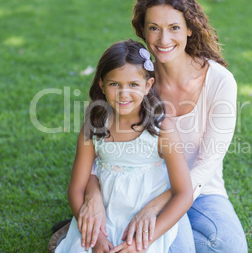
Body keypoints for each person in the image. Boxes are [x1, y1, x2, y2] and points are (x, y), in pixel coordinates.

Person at [53, 0, 248, 252]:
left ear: (189, 28)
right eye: (154, 27)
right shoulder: (133, 80)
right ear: (142, 30)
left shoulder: (219, 82)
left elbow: (208, 163)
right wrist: (92, 191)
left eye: (174, 27)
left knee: (227, 248)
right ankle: (93, 228)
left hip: (196, 190)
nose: (164, 38)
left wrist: (156, 204)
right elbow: (107, 147)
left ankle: (108, 229)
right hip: (131, 187)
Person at [54, 39, 193, 253]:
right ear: (101, 84)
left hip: (148, 222)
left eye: (133, 85)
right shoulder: (94, 126)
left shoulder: (162, 128)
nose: (123, 94)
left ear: (148, 85)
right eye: (114, 84)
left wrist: (142, 243)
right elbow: (76, 188)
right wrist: (98, 238)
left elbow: (183, 193)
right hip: (105, 215)